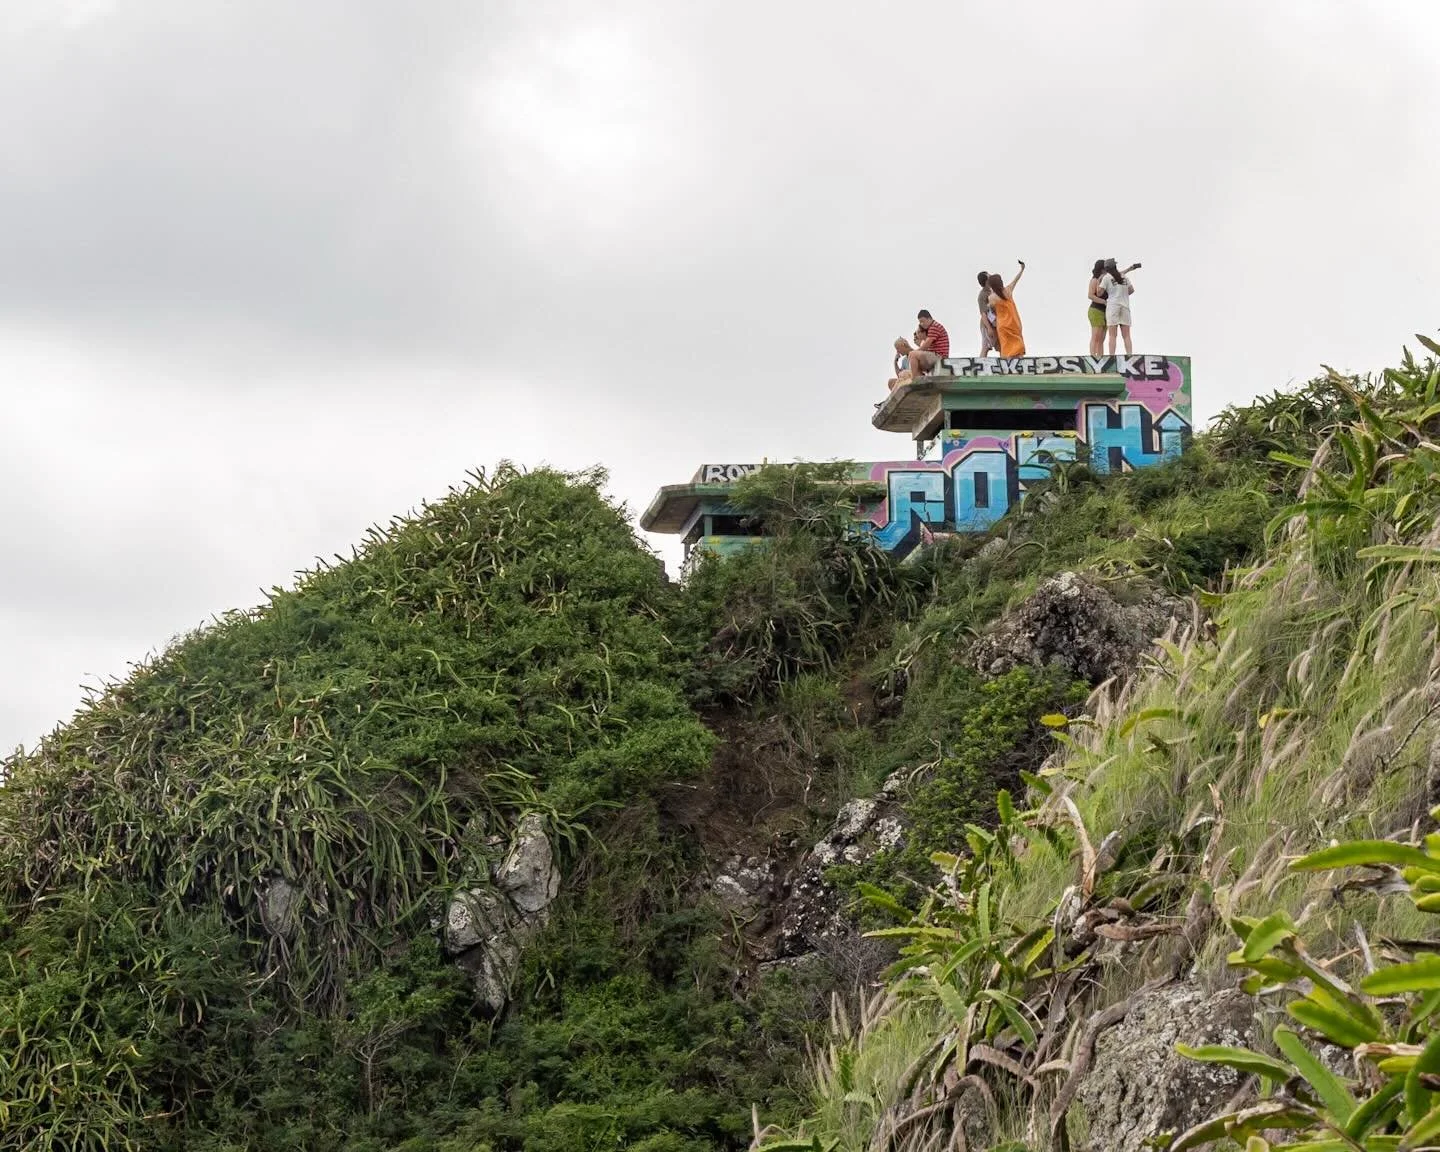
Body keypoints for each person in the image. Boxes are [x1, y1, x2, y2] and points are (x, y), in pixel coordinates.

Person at [1100, 259, 1141, 356]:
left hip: (1113, 306)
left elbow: (1099, 292)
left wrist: (1100, 282)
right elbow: (1131, 290)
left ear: (1106, 268)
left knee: (1112, 335)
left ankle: (1112, 356)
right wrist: (1123, 294)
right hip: (1125, 306)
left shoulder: (1106, 277)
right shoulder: (1124, 277)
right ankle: (1129, 355)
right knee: (1126, 336)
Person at [986, 261, 1026, 357]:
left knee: (1006, 346)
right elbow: (1016, 279)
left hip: (1002, 325)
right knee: (1018, 345)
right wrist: (1022, 270)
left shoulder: (991, 298)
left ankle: (1006, 362)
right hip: (1013, 322)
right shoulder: (1008, 290)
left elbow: (989, 308)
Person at [910, 310, 950, 377]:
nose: (921, 324)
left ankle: (915, 379)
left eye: (922, 321)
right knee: (915, 360)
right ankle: (919, 377)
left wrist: (914, 352)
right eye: (920, 322)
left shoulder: (934, 327)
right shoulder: (932, 327)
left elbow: (925, 346)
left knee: (913, 355)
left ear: (929, 319)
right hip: (936, 355)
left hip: (940, 356)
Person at [1087, 259, 1108, 357]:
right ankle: (1093, 356)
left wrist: (1129, 269)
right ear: (1102, 269)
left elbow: (1118, 274)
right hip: (1096, 310)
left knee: (1102, 338)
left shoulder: (1106, 279)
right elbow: (1090, 295)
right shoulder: (1095, 280)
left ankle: (1100, 357)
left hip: (1105, 312)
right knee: (1096, 335)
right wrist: (1103, 302)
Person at [976, 271, 1000, 356]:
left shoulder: (993, 290)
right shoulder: (982, 295)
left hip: (997, 323)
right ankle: (980, 364)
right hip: (987, 324)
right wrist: (989, 328)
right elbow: (983, 313)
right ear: (986, 281)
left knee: (1001, 346)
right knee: (986, 347)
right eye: (989, 277)